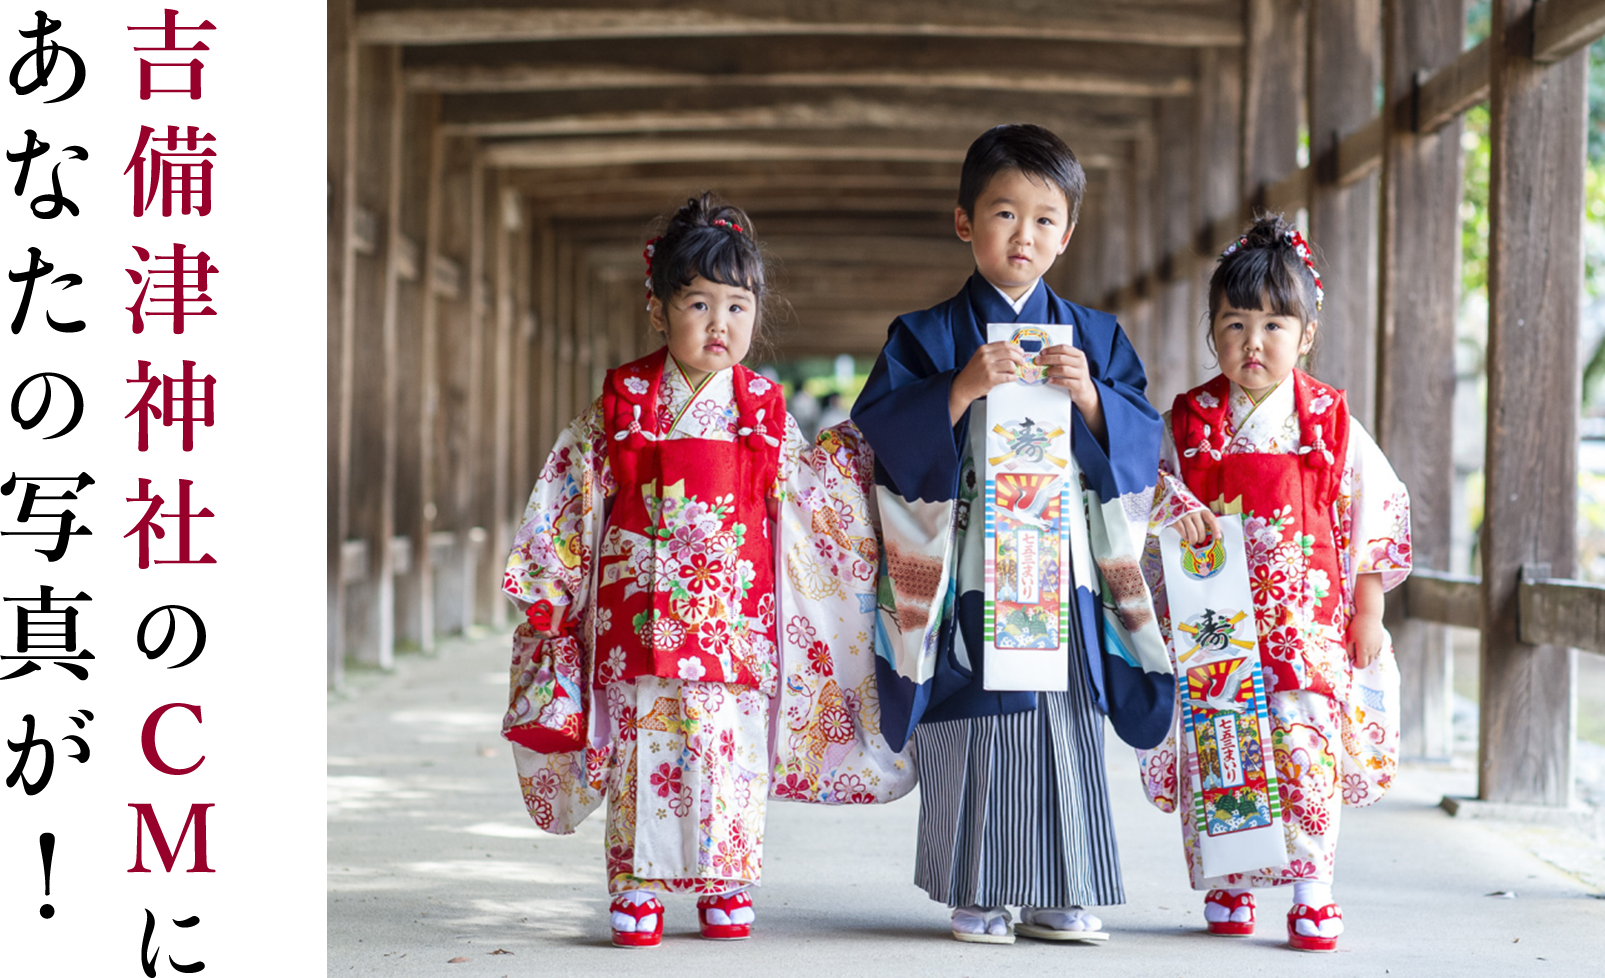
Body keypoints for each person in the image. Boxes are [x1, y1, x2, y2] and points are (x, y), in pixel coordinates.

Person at [501, 193, 911, 949]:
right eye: (697, 302)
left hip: (735, 618)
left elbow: (810, 501)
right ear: (656, 309)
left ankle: (725, 879)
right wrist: (550, 583)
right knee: (638, 750)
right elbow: (573, 486)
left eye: (737, 305)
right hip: (635, 613)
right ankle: (637, 886)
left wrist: (863, 452)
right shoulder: (620, 404)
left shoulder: (761, 408)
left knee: (729, 752)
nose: (720, 324)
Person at [851, 124, 1175, 945]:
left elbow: (1140, 442)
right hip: (968, 570)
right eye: (1002, 213)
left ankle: (1062, 889)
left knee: (1061, 715)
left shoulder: (1093, 339)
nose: (1021, 235)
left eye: (1042, 219)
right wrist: (956, 390)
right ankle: (978, 887)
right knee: (977, 715)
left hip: (1058, 565)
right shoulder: (925, 337)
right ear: (964, 222)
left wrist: (1095, 401)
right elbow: (883, 435)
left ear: (1065, 235)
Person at [1135, 214, 1412, 952]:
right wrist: (1177, 512)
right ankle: (1230, 878)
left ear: (1306, 335)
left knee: (1301, 751)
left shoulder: (1330, 424)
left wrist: (1368, 611)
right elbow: (1144, 496)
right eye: (1232, 324)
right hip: (1213, 621)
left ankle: (1311, 887)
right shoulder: (1188, 422)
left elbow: (1369, 514)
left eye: (1272, 325)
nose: (1251, 343)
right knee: (1223, 746)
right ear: (1210, 332)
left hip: (1304, 619)